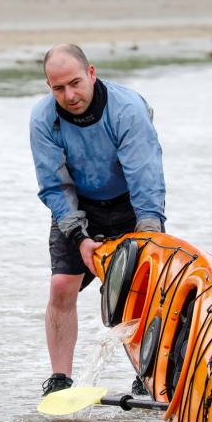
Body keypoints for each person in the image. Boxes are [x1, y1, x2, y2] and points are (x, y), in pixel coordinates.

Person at [29, 44, 166, 396]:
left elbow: (145, 175)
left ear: (91, 72)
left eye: (75, 83)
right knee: (61, 285)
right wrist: (80, 238)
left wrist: (148, 230)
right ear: (49, 86)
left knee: (139, 290)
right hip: (78, 205)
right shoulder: (44, 119)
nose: (69, 95)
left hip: (129, 205)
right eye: (58, 88)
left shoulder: (127, 110)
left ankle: (147, 373)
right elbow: (53, 186)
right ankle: (60, 380)